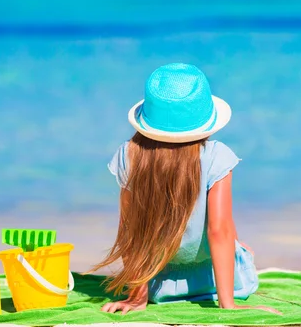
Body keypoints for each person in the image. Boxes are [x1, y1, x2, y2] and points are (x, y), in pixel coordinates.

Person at [90, 63, 279, 315]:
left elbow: (130, 229)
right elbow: (219, 231)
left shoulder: (129, 155)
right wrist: (228, 305)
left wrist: (137, 298)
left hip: (157, 284)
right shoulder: (217, 156)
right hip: (215, 282)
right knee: (238, 244)